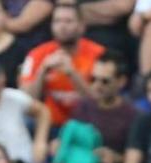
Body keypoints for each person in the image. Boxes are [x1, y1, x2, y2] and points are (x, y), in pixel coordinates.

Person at [69, 51, 138, 163]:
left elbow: (140, 158)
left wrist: (115, 157)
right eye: (93, 79)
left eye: (105, 81)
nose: (97, 86)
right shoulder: (84, 107)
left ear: (121, 82)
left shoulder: (133, 115)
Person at [20, 3, 104, 131]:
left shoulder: (99, 54)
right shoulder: (36, 55)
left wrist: (72, 74)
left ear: (82, 26)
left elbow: (99, 103)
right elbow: (26, 101)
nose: (62, 26)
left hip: (89, 124)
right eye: (57, 21)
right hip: (50, 125)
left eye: (68, 21)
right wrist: (42, 71)